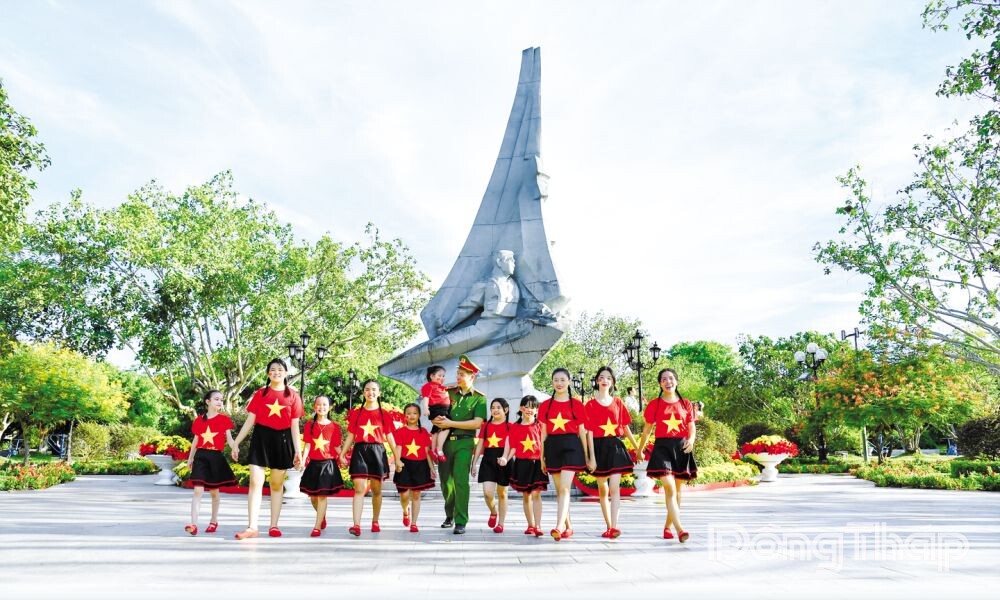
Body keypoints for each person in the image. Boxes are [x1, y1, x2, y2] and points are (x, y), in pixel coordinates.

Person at [231, 359, 304, 540]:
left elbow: (295, 426)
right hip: (261, 438)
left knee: (276, 484)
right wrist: (236, 442)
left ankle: (274, 525)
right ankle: (252, 527)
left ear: (286, 373)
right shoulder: (260, 394)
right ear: (267, 373)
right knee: (255, 482)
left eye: (280, 369)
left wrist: (298, 451)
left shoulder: (293, 396)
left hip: (283, 440)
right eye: (273, 369)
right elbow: (250, 420)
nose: (276, 372)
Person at [637, 368, 697, 543]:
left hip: (681, 448)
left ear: (676, 381)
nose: (668, 381)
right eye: (664, 379)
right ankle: (680, 530)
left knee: (677, 492)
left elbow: (691, 427)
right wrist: (640, 449)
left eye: (671, 378)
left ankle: (667, 527)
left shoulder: (686, 403)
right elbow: (647, 430)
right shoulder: (654, 404)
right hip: (662, 448)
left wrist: (691, 440)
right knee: (669, 488)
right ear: (660, 384)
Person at [432, 354, 487, 535]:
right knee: (446, 482)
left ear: (472, 377)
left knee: (461, 481)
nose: (458, 376)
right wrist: (437, 419)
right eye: (458, 373)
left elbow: (477, 423)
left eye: (462, 374)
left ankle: (461, 520)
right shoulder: (447, 393)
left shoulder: (479, 398)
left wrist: (451, 423)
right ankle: (450, 514)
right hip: (445, 443)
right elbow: (435, 412)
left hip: (465, 443)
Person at [584, 366, 639, 539]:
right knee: (603, 488)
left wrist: (637, 447)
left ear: (613, 382)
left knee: (614, 488)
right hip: (598, 448)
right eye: (601, 377)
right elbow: (588, 432)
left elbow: (625, 427)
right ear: (597, 380)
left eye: (608, 377)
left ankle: (614, 526)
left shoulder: (618, 402)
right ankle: (608, 525)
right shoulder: (590, 404)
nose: (605, 380)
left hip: (615, 447)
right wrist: (591, 458)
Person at [338, 379, 398, 537]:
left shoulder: (384, 414)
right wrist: (342, 453)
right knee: (359, 489)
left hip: (377, 451)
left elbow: (390, 438)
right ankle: (356, 525)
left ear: (379, 393)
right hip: (360, 451)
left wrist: (397, 458)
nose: (370, 392)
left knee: (376, 490)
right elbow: (351, 435)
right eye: (367, 389)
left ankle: (375, 521)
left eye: (373, 389)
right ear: (363, 392)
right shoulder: (357, 413)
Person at [539, 367, 590, 541]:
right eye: (556, 380)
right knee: (560, 490)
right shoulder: (545, 405)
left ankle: (559, 526)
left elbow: (582, 431)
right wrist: (542, 457)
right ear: (552, 382)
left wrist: (587, 455)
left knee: (565, 488)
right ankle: (568, 526)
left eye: (562, 380)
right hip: (552, 447)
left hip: (572, 446)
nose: (559, 383)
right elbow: (543, 433)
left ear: (568, 381)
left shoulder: (576, 404)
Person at [184, 389, 236, 536]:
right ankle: (194, 524)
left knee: (214, 492)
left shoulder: (224, 419)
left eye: (221, 400)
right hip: (201, 457)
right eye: (216, 399)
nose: (220, 402)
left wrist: (235, 448)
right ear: (208, 401)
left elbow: (229, 439)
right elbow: (195, 441)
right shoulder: (199, 420)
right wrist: (190, 458)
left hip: (216, 457)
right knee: (198, 490)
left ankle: (214, 520)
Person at [499, 395, 546, 537]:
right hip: (522, 463)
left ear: (537, 410)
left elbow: (545, 444)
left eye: (533, 407)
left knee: (536, 494)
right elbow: (513, 446)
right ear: (521, 408)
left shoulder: (540, 425)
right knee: (526, 496)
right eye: (526, 407)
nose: (529, 410)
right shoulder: (515, 427)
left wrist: (545, 461)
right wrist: (505, 458)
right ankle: (530, 525)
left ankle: (538, 525)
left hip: (537, 463)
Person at [299, 396, 344, 537]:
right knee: (313, 497)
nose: (321, 407)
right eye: (318, 404)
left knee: (322, 495)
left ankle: (317, 526)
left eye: (324, 405)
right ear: (314, 407)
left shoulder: (334, 426)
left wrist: (343, 456)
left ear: (329, 407)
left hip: (328, 465)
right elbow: (307, 445)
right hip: (314, 464)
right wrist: (303, 460)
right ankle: (321, 515)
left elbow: (336, 446)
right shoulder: (309, 425)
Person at [392, 403, 436, 533]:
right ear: (405, 416)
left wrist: (432, 468)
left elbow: (427, 451)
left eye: (415, 413)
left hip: (420, 465)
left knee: (416, 495)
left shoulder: (423, 432)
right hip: (405, 465)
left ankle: (414, 523)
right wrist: (398, 462)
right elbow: (398, 448)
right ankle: (406, 511)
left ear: (419, 415)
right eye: (409, 413)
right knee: (404, 495)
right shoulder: (400, 431)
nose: (412, 416)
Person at [470, 398, 511, 533]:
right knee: (487, 493)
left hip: (504, 460)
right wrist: (474, 463)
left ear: (506, 410)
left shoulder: (510, 426)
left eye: (498, 407)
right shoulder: (486, 426)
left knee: (502, 493)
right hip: (488, 460)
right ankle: (493, 511)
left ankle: (501, 523)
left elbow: (512, 446)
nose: (495, 410)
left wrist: (506, 458)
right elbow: (480, 444)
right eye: (493, 407)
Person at [420, 365, 451, 463]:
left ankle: (433, 451)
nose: (442, 378)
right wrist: (425, 408)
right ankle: (439, 449)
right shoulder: (429, 386)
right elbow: (426, 398)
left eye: (443, 376)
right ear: (432, 376)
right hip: (438, 410)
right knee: (447, 427)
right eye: (439, 375)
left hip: (442, 410)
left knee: (436, 430)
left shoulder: (442, 387)